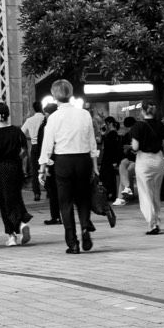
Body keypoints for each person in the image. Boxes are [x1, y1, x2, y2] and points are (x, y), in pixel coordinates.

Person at [38, 78, 98, 253]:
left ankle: (72, 242)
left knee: (65, 202)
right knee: (83, 197)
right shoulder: (84, 114)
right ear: (71, 93)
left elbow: (47, 145)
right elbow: (91, 142)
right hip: (83, 160)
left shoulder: (54, 117)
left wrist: (42, 167)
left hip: (63, 161)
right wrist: (94, 165)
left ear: (54, 95)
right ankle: (86, 227)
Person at [0, 102, 33, 246]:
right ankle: (22, 221)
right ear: (8, 114)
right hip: (15, 168)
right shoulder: (17, 131)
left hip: (0, 170)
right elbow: (24, 151)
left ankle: (12, 235)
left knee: (4, 202)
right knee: (16, 197)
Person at [130, 101, 164, 235]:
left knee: (145, 192)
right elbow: (163, 142)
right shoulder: (160, 125)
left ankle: (152, 224)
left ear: (143, 111)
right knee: (155, 192)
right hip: (158, 159)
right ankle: (156, 220)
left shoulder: (138, 126)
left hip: (144, 160)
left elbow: (135, 147)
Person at [21, 101, 46, 203]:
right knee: (47, 169)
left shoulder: (29, 120)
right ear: (42, 108)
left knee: (35, 171)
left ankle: (37, 193)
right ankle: (49, 191)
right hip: (45, 146)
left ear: (33, 109)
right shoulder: (45, 119)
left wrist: (29, 138)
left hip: (34, 147)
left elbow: (21, 132)